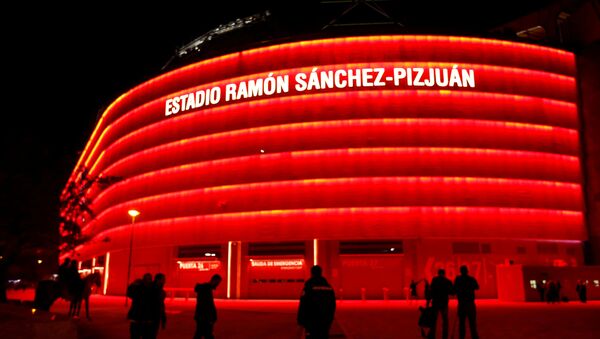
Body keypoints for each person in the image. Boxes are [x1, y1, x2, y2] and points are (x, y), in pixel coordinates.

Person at [297, 265, 336, 339]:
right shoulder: (329, 287)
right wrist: (330, 318)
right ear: (321, 273)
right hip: (325, 320)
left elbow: (303, 303)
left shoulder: (309, 286)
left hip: (312, 320)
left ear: (311, 273)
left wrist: (300, 319)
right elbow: (333, 304)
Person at [454, 265, 479, 339]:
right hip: (470, 303)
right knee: (472, 323)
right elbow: (477, 287)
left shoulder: (458, 279)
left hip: (461, 303)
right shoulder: (471, 279)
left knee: (462, 322)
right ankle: (474, 337)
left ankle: (461, 337)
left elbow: (454, 289)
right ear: (467, 271)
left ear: (460, 271)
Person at [194, 274, 222, 339]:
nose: (218, 285)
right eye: (217, 282)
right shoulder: (206, 289)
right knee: (205, 334)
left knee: (200, 334)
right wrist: (211, 317)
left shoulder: (205, 288)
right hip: (204, 317)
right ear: (214, 280)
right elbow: (207, 305)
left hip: (201, 317)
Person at [428, 269, 454, 339]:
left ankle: (432, 335)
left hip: (435, 303)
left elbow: (431, 290)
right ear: (444, 273)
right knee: (445, 320)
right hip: (444, 303)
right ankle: (445, 336)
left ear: (438, 273)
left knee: (434, 320)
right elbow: (452, 292)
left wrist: (429, 300)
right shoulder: (447, 281)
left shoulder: (434, 280)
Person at [127, 273, 154, 339]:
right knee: (135, 335)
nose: (149, 280)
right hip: (137, 317)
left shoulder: (152, 289)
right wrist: (133, 284)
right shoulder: (138, 287)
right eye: (147, 279)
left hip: (146, 318)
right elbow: (130, 293)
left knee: (145, 335)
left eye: (150, 279)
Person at [149, 273, 167, 338]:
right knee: (151, 334)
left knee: (153, 334)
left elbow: (161, 305)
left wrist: (163, 319)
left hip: (156, 316)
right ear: (158, 280)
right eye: (163, 279)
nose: (165, 281)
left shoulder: (160, 290)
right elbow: (159, 305)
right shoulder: (152, 289)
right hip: (151, 316)